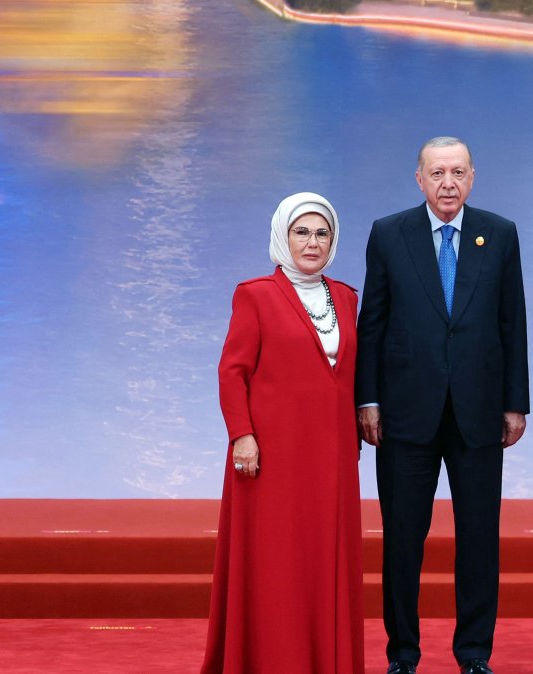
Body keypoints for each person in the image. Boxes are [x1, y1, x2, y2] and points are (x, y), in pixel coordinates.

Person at [355, 137, 529, 674]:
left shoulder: (499, 233)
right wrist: (368, 398)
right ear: (419, 179)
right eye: (437, 173)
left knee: (479, 539)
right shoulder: (389, 233)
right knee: (403, 540)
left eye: (457, 172)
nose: (447, 183)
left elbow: (512, 321)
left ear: (472, 177)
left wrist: (515, 403)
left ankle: (474, 653)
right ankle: (403, 655)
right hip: (406, 413)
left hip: (479, 412)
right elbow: (373, 323)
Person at [202, 192, 364, 674]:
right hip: (269, 456)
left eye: (322, 233)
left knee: (323, 564)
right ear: (282, 236)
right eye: (301, 232)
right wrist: (242, 436)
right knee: (276, 565)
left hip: (331, 457)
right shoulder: (254, 294)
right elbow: (232, 372)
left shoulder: (347, 297)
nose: (312, 243)